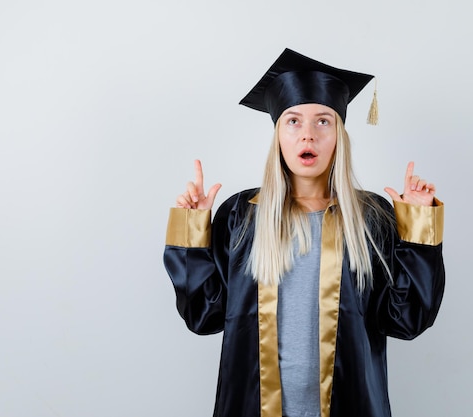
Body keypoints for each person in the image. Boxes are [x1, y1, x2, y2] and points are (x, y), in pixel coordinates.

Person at [163, 48, 445, 417]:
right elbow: (203, 317)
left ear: (340, 135)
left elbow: (407, 320)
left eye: (323, 121)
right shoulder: (240, 216)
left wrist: (418, 227)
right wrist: (192, 234)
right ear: (278, 134)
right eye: (293, 121)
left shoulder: (371, 218)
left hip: (351, 404)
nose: (307, 135)